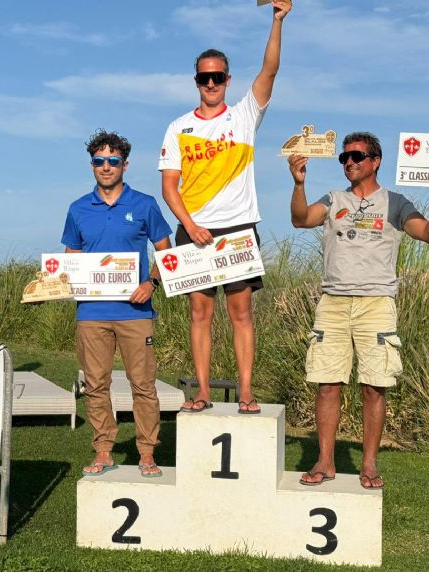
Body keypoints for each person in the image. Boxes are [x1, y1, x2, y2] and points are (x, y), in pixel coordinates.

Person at [288, 132, 429, 488]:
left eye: (357, 156)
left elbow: (428, 233)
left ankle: (369, 465)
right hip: (333, 302)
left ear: (375, 161)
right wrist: (299, 184)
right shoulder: (334, 199)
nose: (349, 162)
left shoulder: (395, 203)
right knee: (327, 384)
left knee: (374, 386)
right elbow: (301, 219)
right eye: (344, 158)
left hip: (376, 304)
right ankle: (325, 461)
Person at [158, 0, 292, 414]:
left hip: (238, 229)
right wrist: (190, 225)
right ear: (196, 81)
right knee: (200, 314)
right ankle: (202, 392)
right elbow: (169, 186)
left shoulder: (244, 116)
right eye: (205, 77)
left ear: (228, 80)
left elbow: (269, 70)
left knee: (241, 313)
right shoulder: (178, 127)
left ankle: (246, 392)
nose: (211, 83)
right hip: (194, 230)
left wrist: (277, 21)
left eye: (218, 77)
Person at [62, 130, 172, 478]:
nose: (106, 167)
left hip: (135, 313)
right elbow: (70, 257)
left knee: (144, 385)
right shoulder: (78, 209)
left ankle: (147, 452)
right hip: (91, 314)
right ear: (92, 165)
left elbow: (166, 252)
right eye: (99, 161)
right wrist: (51, 286)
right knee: (95, 386)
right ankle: (104, 451)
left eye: (113, 160)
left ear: (125, 164)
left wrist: (151, 283)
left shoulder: (144, 204)